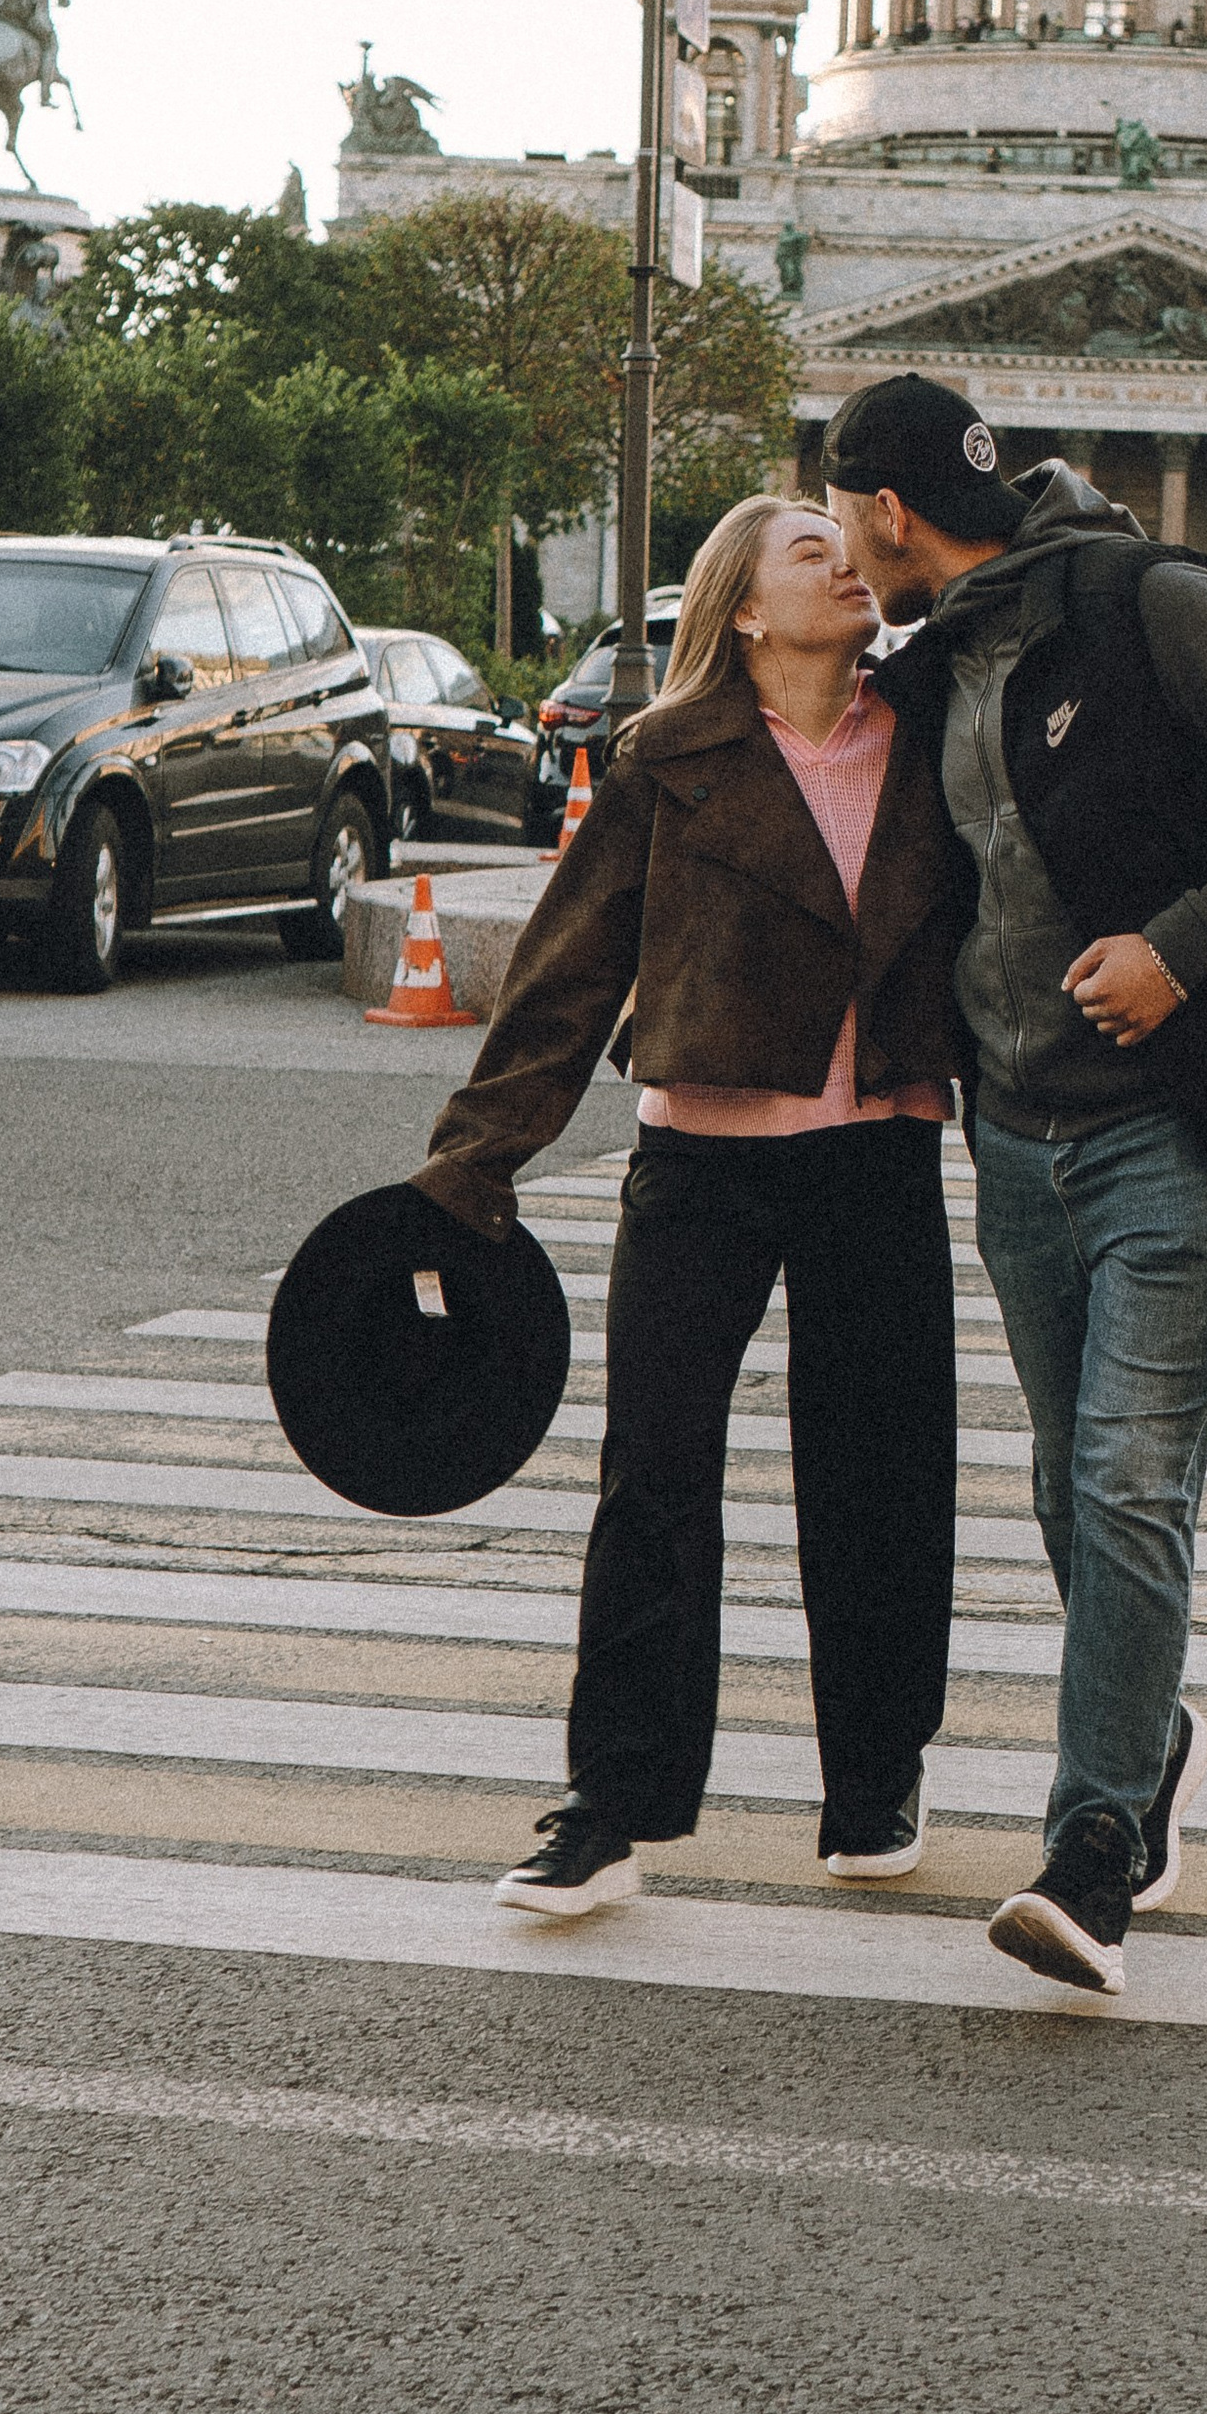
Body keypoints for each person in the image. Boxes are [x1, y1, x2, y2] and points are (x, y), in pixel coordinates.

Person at [828, 376, 1207, 1996]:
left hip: (1173, 1121)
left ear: (886, 511)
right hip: (1018, 1137)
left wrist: (1182, 951)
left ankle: (1096, 1851)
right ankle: (1154, 1730)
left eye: (843, 522)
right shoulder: (938, 657)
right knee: (1071, 1489)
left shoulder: (1149, 602)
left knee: (1133, 1477)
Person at [410, 495, 967, 1918]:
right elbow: (568, 970)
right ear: (742, 610)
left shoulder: (934, 736)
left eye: (850, 549)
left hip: (879, 1151)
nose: (844, 563)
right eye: (807, 553)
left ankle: (874, 1776)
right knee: (653, 1480)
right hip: (702, 1166)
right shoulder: (668, 755)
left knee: (881, 1477)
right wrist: (471, 1166)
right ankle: (612, 1803)